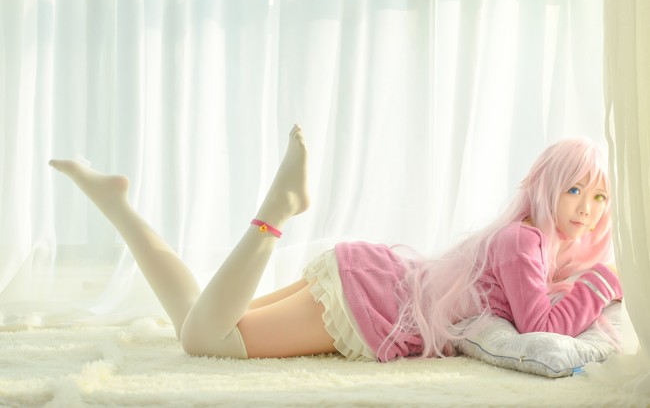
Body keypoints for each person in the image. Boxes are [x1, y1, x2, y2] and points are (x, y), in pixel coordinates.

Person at [49, 124, 623, 362]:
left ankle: (117, 207)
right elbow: (539, 326)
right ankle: (275, 213)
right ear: (545, 186)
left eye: (599, 197)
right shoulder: (525, 240)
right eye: (574, 190)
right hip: (374, 305)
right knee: (207, 340)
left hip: (374, 281)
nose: (587, 208)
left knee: (202, 319)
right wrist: (602, 283)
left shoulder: (534, 244)